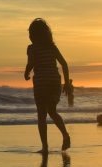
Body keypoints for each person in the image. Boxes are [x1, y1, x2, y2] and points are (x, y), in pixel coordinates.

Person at [24, 18, 73, 153]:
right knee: (52, 111)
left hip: (41, 83)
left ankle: (45, 147)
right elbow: (64, 64)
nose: (29, 36)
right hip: (54, 82)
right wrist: (67, 83)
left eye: (30, 33)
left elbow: (31, 63)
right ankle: (65, 135)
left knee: (41, 115)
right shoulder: (52, 47)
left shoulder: (32, 48)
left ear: (34, 35)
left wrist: (26, 72)